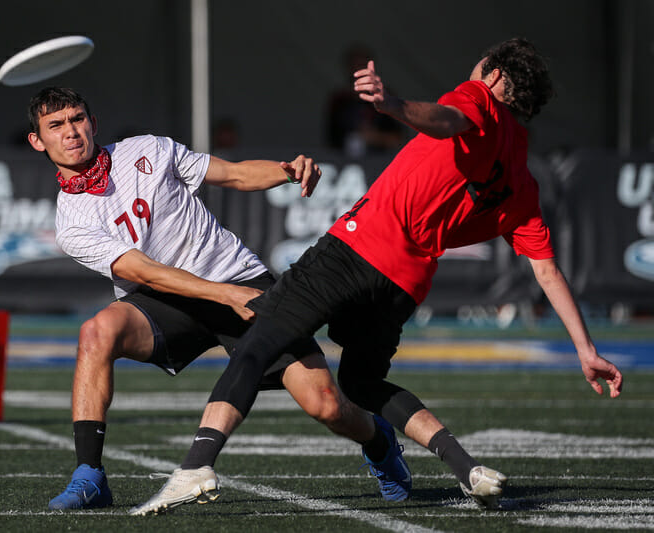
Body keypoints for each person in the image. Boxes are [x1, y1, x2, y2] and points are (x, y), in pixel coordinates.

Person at [131, 38, 624, 515]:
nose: (470, 76)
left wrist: (394, 105)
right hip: (405, 284)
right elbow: (547, 270)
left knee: (260, 343)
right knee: (363, 382)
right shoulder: (522, 182)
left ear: (493, 75)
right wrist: (586, 349)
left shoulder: (478, 100)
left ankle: (196, 467)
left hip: (357, 248)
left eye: (478, 68)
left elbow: (449, 119)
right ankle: (465, 466)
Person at [26, 87, 400, 511]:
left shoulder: (148, 149)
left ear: (93, 123)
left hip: (237, 275)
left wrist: (286, 171)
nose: (70, 132)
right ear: (38, 141)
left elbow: (236, 174)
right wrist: (224, 295)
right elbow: (144, 273)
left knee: (326, 405)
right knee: (96, 332)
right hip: (167, 299)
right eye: (56, 126)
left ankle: (378, 439)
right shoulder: (70, 223)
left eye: (77, 119)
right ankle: (89, 476)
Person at [326, 43, 404, 157]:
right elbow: (330, 141)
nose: (358, 69)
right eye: (355, 65)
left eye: (363, 65)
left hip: (381, 162)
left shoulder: (384, 98)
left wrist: (375, 137)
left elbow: (398, 139)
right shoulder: (339, 100)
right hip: (345, 163)